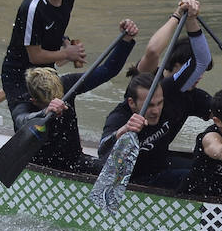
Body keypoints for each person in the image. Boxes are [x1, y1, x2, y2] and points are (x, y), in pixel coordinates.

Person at [97, 0, 212, 189]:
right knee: (198, 180)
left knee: (207, 170)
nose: (156, 110)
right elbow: (102, 150)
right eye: (149, 105)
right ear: (132, 103)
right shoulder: (120, 115)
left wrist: (191, 19)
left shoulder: (165, 89)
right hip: (131, 180)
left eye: (159, 103)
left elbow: (202, 60)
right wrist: (123, 131)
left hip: (160, 167)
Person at [10, 19, 138, 174]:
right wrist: (44, 112)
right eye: (48, 103)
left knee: (121, 169)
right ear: (34, 101)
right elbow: (21, 119)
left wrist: (125, 40)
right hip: (39, 167)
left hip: (75, 161)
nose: (59, 106)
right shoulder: (22, 102)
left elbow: (107, 71)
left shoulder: (67, 85)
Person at [1, 0, 86, 119]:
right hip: (19, 76)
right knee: (35, 124)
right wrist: (66, 54)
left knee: (60, 118)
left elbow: (53, 28)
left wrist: (65, 43)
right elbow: (35, 56)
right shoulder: (32, 8)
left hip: (46, 72)